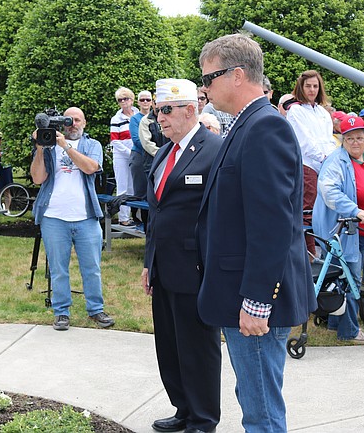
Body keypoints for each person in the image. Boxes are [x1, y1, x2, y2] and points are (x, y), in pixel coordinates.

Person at [197, 34, 316, 432]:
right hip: (243, 293)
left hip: (256, 301)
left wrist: (258, 300)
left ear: (237, 74)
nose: (204, 88)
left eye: (209, 78)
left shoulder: (265, 127)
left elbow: (274, 224)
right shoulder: (246, 125)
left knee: (261, 411)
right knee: (254, 401)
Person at [143, 78, 223, 433]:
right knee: (171, 345)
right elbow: (157, 214)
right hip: (163, 265)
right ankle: (183, 408)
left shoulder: (214, 148)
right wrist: (149, 262)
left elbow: (221, 214)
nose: (159, 117)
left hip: (195, 267)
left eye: (166, 110)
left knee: (198, 348)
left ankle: (203, 419)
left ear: (191, 110)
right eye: (158, 110)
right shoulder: (164, 152)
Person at [30, 107, 115, 331]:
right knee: (58, 269)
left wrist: (65, 146)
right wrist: (40, 147)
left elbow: (91, 168)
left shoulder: (92, 145)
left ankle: (96, 310)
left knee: (92, 267)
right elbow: (38, 178)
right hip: (53, 217)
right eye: (68, 121)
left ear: (84, 123)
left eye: (77, 120)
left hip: (86, 217)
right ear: (61, 124)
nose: (73, 124)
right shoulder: (49, 145)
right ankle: (61, 312)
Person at [313, 115, 364, 343]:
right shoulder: (335, 162)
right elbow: (330, 192)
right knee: (351, 279)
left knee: (345, 278)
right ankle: (350, 331)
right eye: (350, 139)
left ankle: (336, 323)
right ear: (342, 141)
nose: (356, 142)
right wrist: (354, 210)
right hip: (345, 231)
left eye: (360, 138)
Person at [286, 69, 339, 256]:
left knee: (326, 210)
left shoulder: (323, 113)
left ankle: (326, 253)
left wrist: (331, 160)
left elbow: (329, 139)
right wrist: (323, 158)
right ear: (301, 87)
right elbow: (305, 142)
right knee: (308, 210)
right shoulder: (296, 111)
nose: (312, 90)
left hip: (326, 166)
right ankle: (308, 254)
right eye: (308, 86)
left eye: (315, 86)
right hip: (308, 165)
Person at [110, 87, 136, 226]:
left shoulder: (138, 114)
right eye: (120, 100)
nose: (123, 102)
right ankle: (123, 218)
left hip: (136, 155)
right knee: (122, 186)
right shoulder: (116, 119)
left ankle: (133, 216)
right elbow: (115, 140)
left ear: (131, 99)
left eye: (125, 99)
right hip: (121, 156)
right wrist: (129, 152)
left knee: (133, 186)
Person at [129, 90, 152, 201]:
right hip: (139, 156)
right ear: (138, 102)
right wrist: (154, 149)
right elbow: (137, 140)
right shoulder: (134, 119)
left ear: (152, 102)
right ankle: (137, 217)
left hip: (153, 157)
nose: (145, 102)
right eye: (142, 100)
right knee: (140, 193)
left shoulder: (156, 117)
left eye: (148, 99)